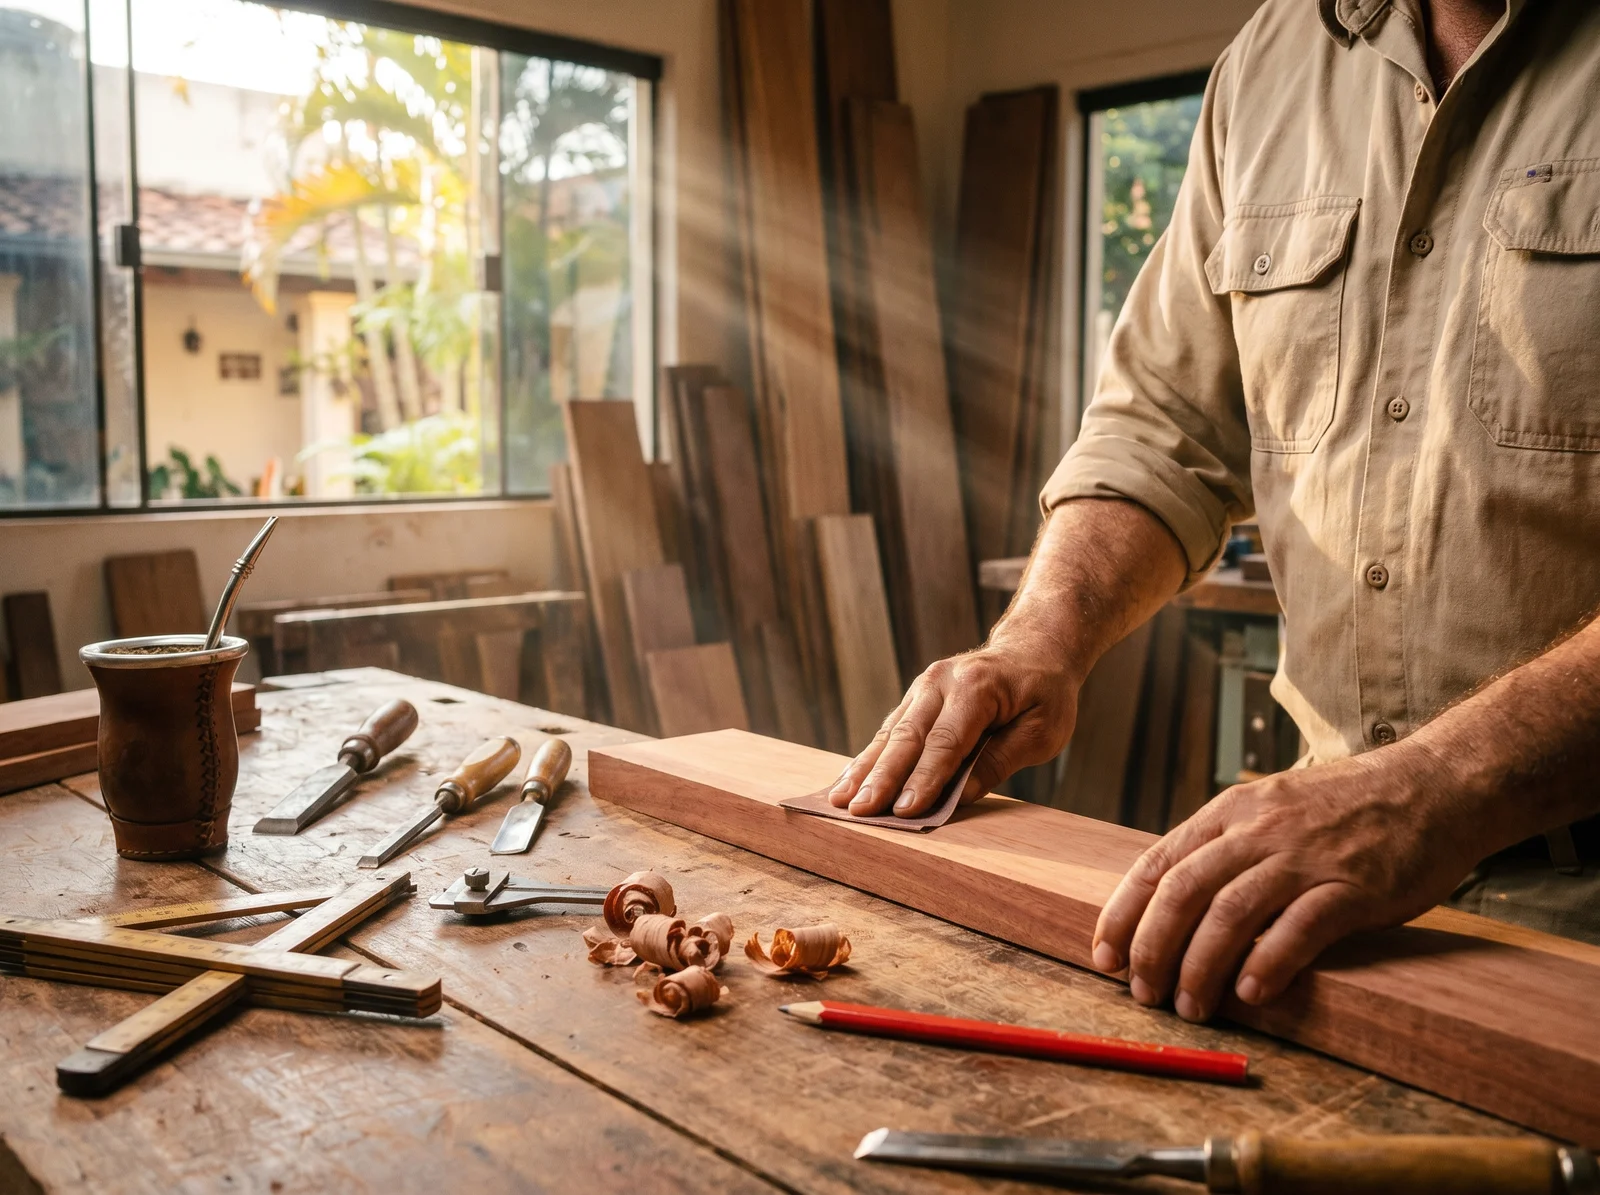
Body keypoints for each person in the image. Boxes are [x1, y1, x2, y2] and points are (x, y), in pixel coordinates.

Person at [827, 0, 1600, 1025]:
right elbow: (1164, 423)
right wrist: (1040, 638)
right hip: (1320, 888)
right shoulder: (1274, 60)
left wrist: (1430, 789)